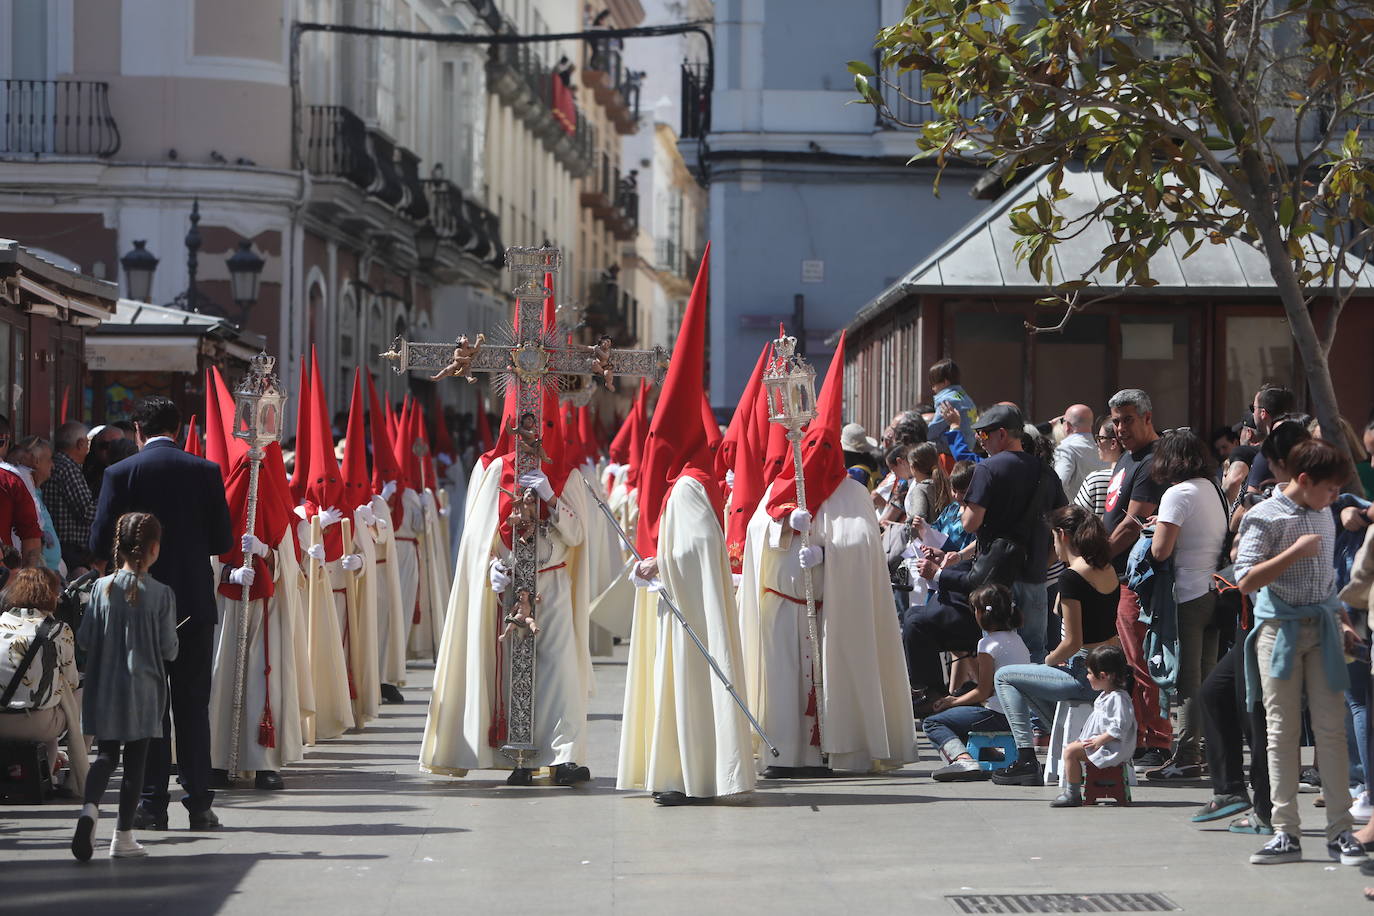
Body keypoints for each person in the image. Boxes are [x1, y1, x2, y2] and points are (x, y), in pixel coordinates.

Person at [739, 333, 916, 778]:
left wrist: (826, 553)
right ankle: (785, 754)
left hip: (831, 611)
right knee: (782, 688)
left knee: (833, 683)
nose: (814, 457)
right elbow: (757, 533)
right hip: (784, 607)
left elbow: (862, 547)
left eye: (823, 449)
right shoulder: (781, 487)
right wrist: (784, 528)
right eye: (809, 449)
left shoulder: (853, 492)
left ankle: (834, 750)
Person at [618, 258, 755, 806]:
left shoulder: (693, 485)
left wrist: (658, 565)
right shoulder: (683, 482)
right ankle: (675, 773)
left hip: (689, 609)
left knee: (688, 685)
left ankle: (693, 776)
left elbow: (699, 549)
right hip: (677, 602)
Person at [89, 396, 233, 830]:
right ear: (177, 428)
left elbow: (99, 541)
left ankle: (151, 804)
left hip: (138, 606)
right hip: (191, 602)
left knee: (149, 708)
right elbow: (222, 540)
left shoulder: (119, 472)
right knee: (192, 706)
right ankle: (200, 804)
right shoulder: (205, 471)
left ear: (137, 428)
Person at [1236, 438, 1367, 866]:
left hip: (1324, 628)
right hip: (1279, 631)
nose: (1334, 497)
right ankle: (1285, 832)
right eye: (1329, 489)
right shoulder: (1264, 515)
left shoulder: (1323, 512)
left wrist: (1344, 621)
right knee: (1281, 735)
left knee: (1331, 733)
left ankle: (1340, 831)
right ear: (1304, 480)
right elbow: (1246, 580)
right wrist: (1293, 551)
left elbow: (1326, 578)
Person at [71, 512, 177, 861]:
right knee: (136, 763)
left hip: (105, 685)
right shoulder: (161, 593)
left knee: (105, 755)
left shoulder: (101, 587)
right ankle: (123, 836)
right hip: (143, 689)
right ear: (154, 549)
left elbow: (84, 639)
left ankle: (89, 809)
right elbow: (168, 648)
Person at [991, 505, 1121, 785]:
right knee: (1028, 679)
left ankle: (1026, 758)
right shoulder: (1105, 568)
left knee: (1005, 677)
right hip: (1109, 671)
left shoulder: (1072, 577)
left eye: (1052, 538)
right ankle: (1067, 735)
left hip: (1083, 673)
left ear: (1061, 535)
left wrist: (1048, 661)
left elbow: (1072, 642)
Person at [1145, 429, 1228, 780]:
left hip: (1189, 592)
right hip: (1216, 590)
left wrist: (1151, 534)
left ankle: (1187, 755)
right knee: (1207, 676)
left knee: (1187, 680)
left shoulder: (1176, 493)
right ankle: (1210, 750)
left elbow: (1160, 551)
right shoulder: (1213, 489)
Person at [963, 404, 1067, 662]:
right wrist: (1047, 560)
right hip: (1034, 575)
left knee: (994, 646)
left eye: (984, 434)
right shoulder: (1046, 471)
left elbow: (970, 523)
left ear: (1001, 434)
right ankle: (1031, 703)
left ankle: (999, 700)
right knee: (1034, 649)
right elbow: (1065, 521)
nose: (981, 441)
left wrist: (965, 507)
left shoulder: (987, 469)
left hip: (996, 575)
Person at [1101, 388, 1170, 769]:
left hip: (1139, 578)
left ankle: (1157, 740)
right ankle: (1141, 737)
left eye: (1127, 419)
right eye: (1115, 420)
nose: (1120, 428)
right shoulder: (1127, 457)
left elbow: (1133, 523)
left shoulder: (1154, 458)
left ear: (1147, 417)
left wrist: (1098, 556)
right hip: (1119, 574)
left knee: (1144, 660)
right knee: (1129, 660)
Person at [925, 583, 1030, 781]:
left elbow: (983, 691)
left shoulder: (987, 644)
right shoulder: (1017, 640)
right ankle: (984, 754)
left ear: (982, 613)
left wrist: (951, 701)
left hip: (998, 714)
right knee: (959, 715)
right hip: (1019, 715)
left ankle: (962, 759)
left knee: (933, 722)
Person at [0, 567, 84, 795]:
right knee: (79, 694)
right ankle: (72, 780)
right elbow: (73, 681)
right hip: (38, 725)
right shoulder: (58, 630)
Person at [1051, 644, 1138, 807]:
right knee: (1072, 747)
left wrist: (1100, 740)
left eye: (1090, 673)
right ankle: (1074, 789)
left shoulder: (1118, 698)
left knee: (1070, 752)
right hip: (1106, 744)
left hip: (1112, 748)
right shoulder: (1106, 696)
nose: (1088, 676)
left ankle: (1072, 793)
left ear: (1104, 676)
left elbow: (1119, 726)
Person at [43, 421, 96, 574]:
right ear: (80, 444)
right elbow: (88, 511)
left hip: (60, 543)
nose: (88, 449)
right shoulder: (67, 467)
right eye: (87, 443)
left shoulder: (59, 463)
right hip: (69, 548)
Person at [4, 437, 62, 572]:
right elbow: (31, 534)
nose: (52, 465)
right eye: (49, 459)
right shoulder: (21, 482)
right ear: (35, 461)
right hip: (30, 573)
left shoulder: (35, 490)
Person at [0, 417, 42, 568]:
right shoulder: (11, 481)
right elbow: (31, 537)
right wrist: (26, 583)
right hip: (3, 575)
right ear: (4, 441)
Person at [1053, 405, 1108, 506]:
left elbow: (1060, 483)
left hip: (1075, 514)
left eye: (1063, 421)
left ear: (1068, 425)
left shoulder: (1066, 448)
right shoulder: (1102, 449)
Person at [1076, 418, 1122, 518]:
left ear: (1113, 443)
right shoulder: (1139, 475)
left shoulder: (1095, 479)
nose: (1097, 443)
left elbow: (1076, 518)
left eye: (1100, 438)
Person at [925, 358, 977, 444]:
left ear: (945, 382)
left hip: (952, 447)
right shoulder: (964, 396)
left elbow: (933, 430)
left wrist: (918, 437)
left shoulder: (948, 401)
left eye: (934, 384)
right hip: (968, 445)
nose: (932, 388)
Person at [83, 424, 125, 500]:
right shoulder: (87, 471)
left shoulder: (133, 469)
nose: (110, 449)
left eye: (115, 445)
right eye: (104, 445)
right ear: (96, 448)